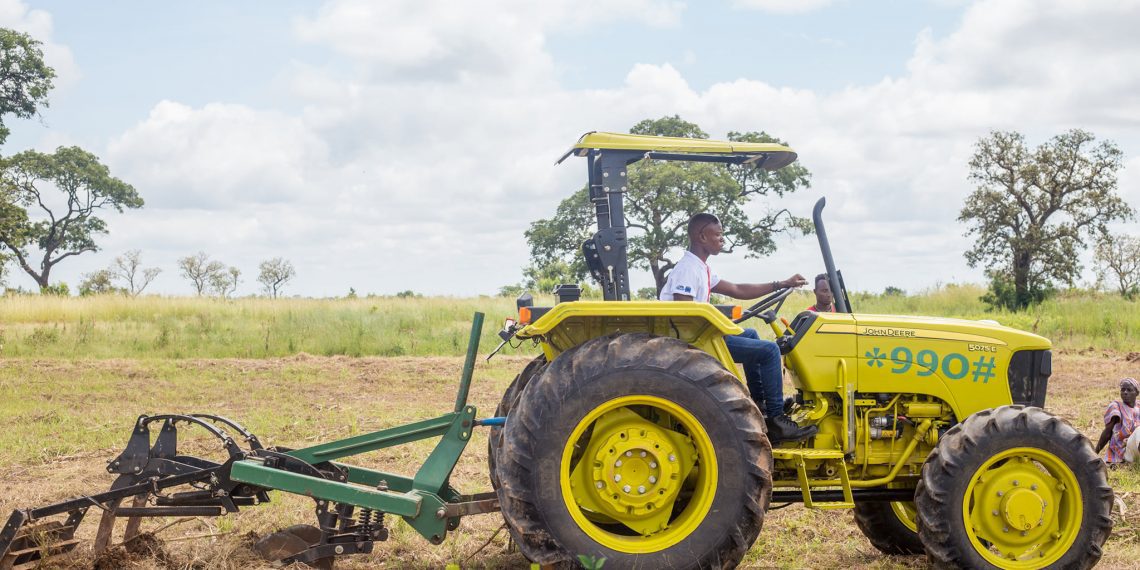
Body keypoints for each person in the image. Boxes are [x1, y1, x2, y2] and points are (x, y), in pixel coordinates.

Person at [660, 213, 818, 443]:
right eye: (718, 234)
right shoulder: (687, 269)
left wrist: (781, 284)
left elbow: (737, 289)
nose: (722, 239)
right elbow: (683, 314)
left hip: (701, 333)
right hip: (693, 340)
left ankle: (760, 405)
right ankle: (776, 420)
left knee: (752, 334)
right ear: (702, 236)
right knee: (770, 350)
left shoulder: (701, 267)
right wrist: (718, 322)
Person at [1095, 377, 1140, 465]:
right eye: (1123, 390)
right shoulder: (1116, 406)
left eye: (1129, 390)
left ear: (1137, 393)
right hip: (1125, 450)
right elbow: (1107, 432)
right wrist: (1093, 453)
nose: (1125, 392)